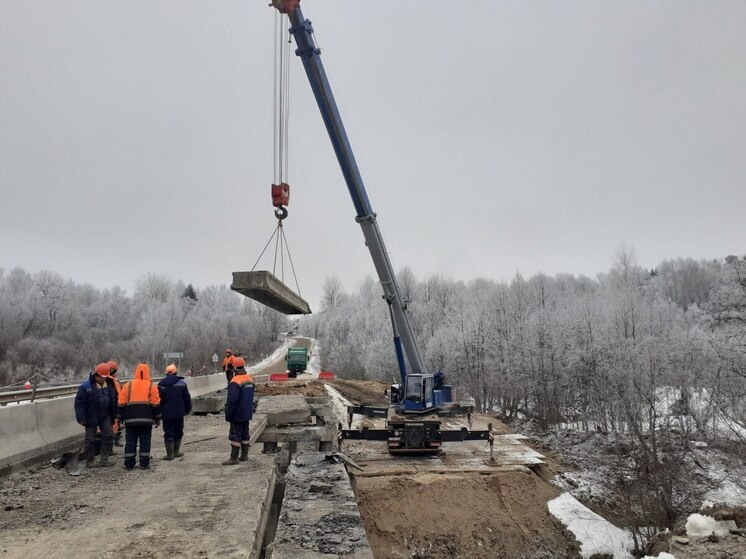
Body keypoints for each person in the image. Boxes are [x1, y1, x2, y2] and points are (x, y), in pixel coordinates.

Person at [116, 362, 161, 471]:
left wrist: (119, 417)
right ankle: (144, 464)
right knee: (145, 440)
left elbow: (121, 403)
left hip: (130, 419)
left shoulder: (128, 385)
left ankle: (129, 464)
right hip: (146, 420)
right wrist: (158, 417)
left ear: (136, 372)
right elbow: (155, 403)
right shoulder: (151, 386)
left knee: (130, 441)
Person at [74, 362, 118, 468]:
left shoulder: (110, 384)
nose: (103, 379)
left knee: (109, 435)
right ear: (96, 375)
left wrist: (116, 413)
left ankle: (104, 459)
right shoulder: (86, 386)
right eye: (101, 377)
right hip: (91, 416)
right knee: (90, 438)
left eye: (105, 377)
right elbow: (79, 403)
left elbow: (114, 399)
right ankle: (90, 460)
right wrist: (81, 418)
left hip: (106, 415)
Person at [222, 357, 254, 465]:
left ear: (234, 368)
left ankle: (234, 458)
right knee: (245, 434)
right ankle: (244, 456)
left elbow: (232, 401)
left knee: (236, 434)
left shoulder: (234, 382)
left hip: (237, 414)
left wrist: (228, 414)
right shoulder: (249, 379)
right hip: (247, 413)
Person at [158, 363, 192, 461]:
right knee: (178, 431)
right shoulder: (182, 383)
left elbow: (159, 400)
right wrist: (187, 409)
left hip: (166, 413)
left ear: (166, 373)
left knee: (168, 432)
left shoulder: (161, 384)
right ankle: (176, 452)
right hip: (179, 412)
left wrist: (159, 413)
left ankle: (170, 454)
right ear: (176, 373)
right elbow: (187, 398)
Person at [107, 360, 124, 447]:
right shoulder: (108, 380)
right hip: (112, 404)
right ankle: (110, 445)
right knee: (112, 425)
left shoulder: (115, 379)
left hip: (118, 403)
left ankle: (116, 440)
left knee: (118, 423)